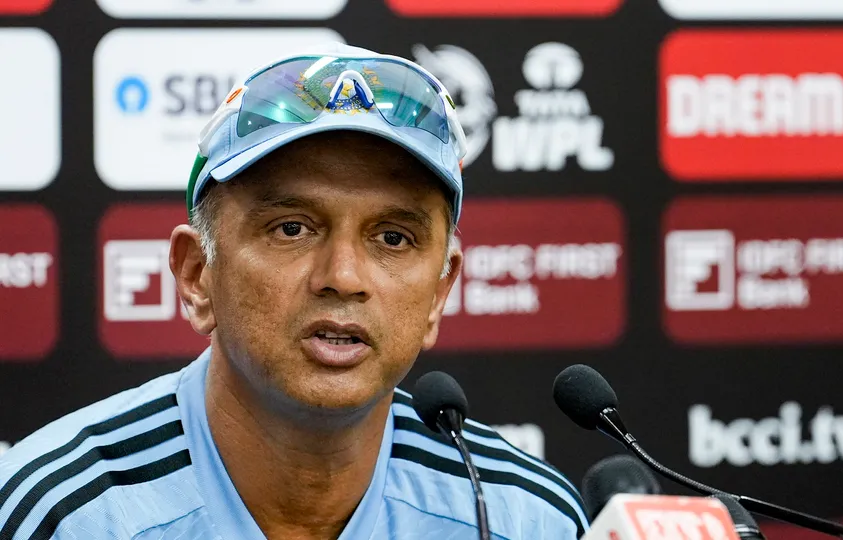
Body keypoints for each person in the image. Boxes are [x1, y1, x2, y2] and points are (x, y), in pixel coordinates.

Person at [0, 43, 588, 539]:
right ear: (196, 274)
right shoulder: (60, 516)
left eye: (392, 237)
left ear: (440, 291)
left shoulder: (525, 521)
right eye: (292, 228)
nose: (344, 277)